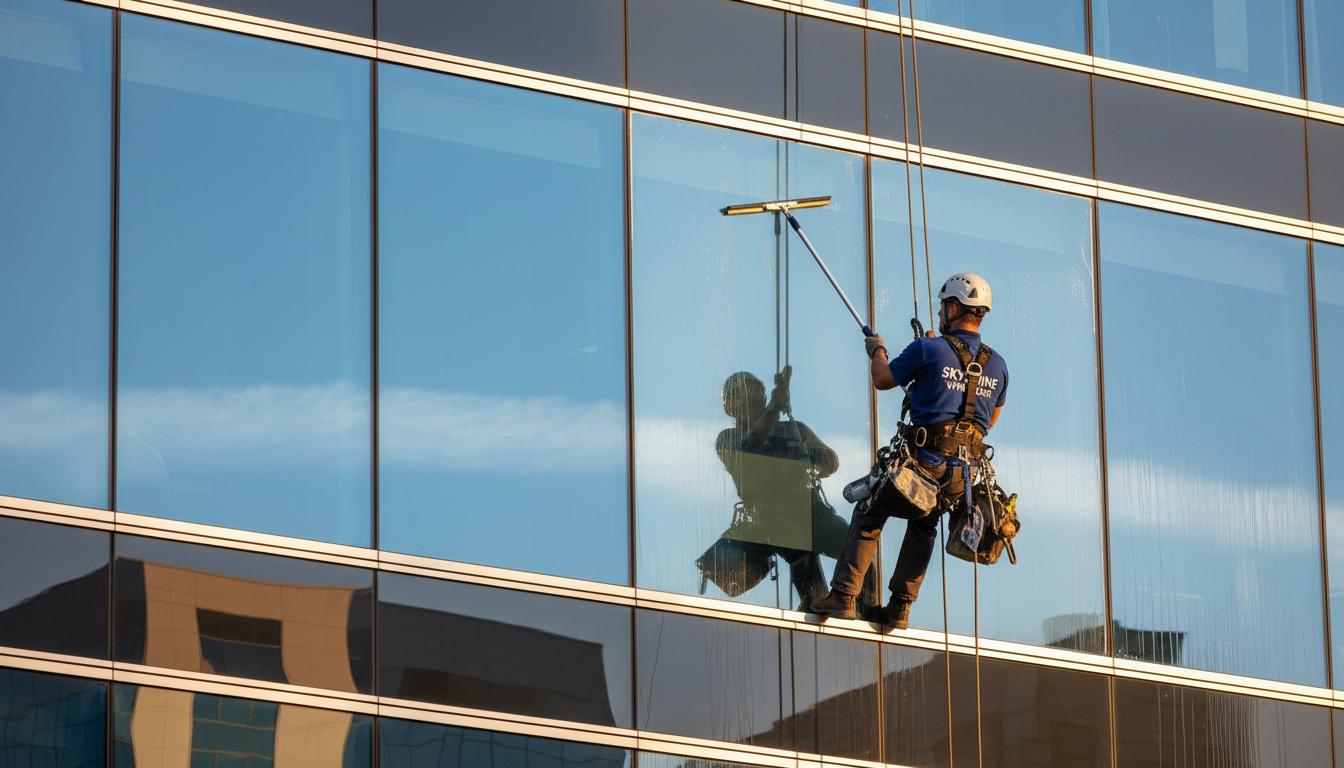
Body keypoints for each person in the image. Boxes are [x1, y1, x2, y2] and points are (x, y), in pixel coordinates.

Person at [811, 273, 1009, 629]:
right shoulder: (998, 365)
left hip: (924, 462)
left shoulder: (928, 349)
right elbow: (989, 419)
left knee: (870, 512)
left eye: (942, 308)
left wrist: (877, 351)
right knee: (925, 523)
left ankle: (843, 595)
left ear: (952, 307)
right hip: (961, 476)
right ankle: (900, 607)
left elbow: (883, 379)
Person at [699, 366, 864, 612]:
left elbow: (831, 461)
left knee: (856, 548)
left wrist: (812, 459)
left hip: (810, 509)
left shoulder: (794, 429)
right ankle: (815, 602)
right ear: (730, 407)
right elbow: (750, 447)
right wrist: (775, 408)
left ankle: (863, 608)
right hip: (770, 513)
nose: (746, 401)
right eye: (739, 396)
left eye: (751, 394)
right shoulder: (728, 439)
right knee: (794, 539)